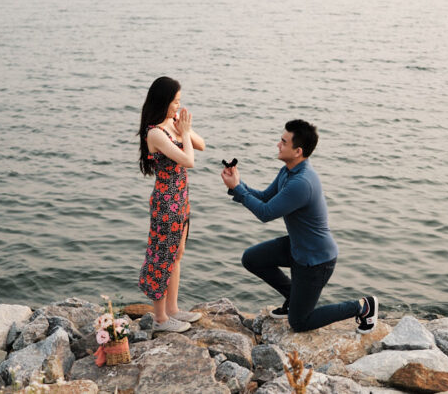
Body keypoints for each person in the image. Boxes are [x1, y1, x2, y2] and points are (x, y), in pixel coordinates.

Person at [220, 119, 378, 333]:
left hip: (316, 261)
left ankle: (363, 306)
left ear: (298, 151)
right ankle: (294, 298)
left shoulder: (302, 183)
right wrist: (238, 183)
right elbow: (266, 198)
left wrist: (238, 188)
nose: (278, 144)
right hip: (298, 247)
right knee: (252, 258)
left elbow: (266, 213)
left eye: (283, 142)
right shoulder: (288, 171)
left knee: (300, 323)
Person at [137, 76, 206, 333]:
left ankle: (173, 310)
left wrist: (181, 127)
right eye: (175, 101)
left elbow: (201, 145)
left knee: (177, 255)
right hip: (166, 203)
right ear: (163, 101)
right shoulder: (155, 132)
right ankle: (160, 319)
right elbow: (189, 160)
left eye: (179, 101)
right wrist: (184, 133)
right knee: (161, 256)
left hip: (181, 199)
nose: (178, 105)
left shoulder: (170, 125)